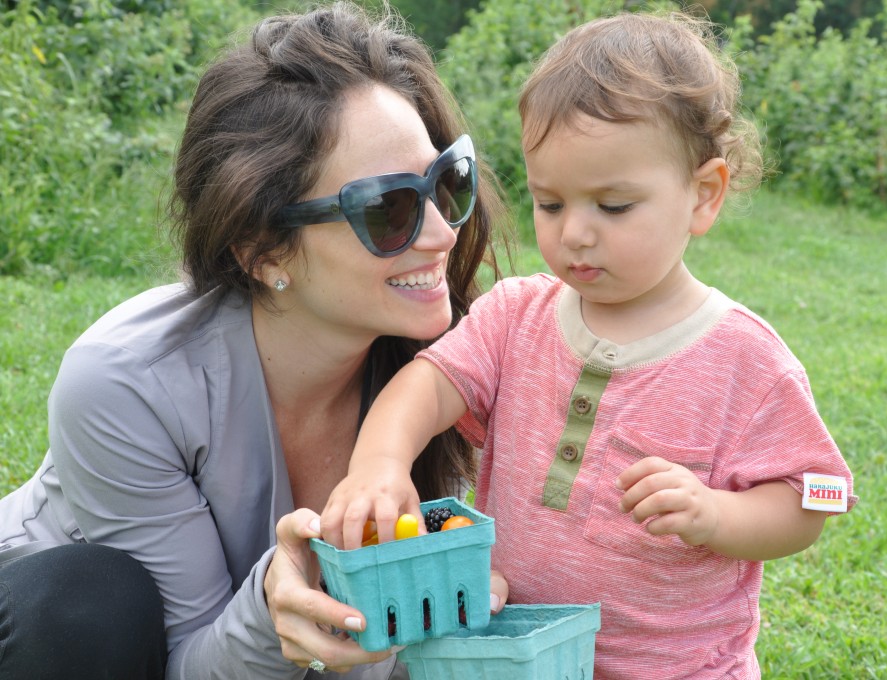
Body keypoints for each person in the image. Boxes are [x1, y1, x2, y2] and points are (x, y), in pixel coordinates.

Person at [320, 9, 858, 679]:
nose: (574, 232)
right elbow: (428, 384)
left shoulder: (746, 361)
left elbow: (809, 502)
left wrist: (715, 514)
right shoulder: (517, 316)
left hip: (680, 668)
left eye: (613, 205)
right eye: (551, 203)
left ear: (703, 194)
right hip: (518, 653)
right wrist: (380, 462)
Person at [0, 2, 509, 679]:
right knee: (90, 601)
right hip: (64, 635)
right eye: (389, 209)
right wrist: (280, 610)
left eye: (446, 182)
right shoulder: (126, 382)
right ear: (265, 252)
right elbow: (184, 663)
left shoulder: (449, 363)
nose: (442, 233)